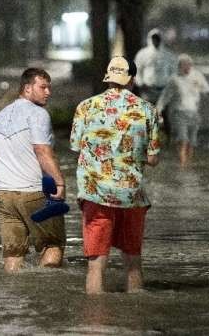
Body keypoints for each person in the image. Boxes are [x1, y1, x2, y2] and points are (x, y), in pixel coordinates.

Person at [70, 56, 160, 294]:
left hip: (95, 194)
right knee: (133, 263)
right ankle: (135, 308)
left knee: (95, 267)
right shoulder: (148, 110)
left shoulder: (85, 107)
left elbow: (76, 147)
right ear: (132, 79)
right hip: (132, 196)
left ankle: (95, 314)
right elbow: (153, 159)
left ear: (108, 77)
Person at [0, 67, 67, 272]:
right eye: (43, 87)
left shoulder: (0, 115)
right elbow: (42, 150)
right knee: (52, 245)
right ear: (27, 88)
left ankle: (13, 291)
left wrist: (0, 184)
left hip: (4, 196)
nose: (48, 92)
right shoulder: (38, 114)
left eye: (49, 87)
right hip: (34, 192)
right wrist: (59, 182)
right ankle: (45, 290)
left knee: (13, 253)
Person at [156, 53, 209, 165]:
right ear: (179, 66)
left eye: (189, 65)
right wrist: (158, 109)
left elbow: (205, 87)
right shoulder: (174, 79)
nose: (187, 67)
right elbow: (165, 96)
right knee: (183, 139)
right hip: (178, 113)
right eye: (184, 65)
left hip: (193, 112)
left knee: (191, 142)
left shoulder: (197, 76)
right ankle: (182, 165)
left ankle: (188, 163)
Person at [133, 28, 177, 105]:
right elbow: (137, 69)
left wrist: (170, 85)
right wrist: (141, 83)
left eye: (157, 38)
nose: (155, 40)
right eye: (153, 38)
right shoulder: (142, 54)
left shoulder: (168, 55)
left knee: (163, 111)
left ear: (161, 39)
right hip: (148, 91)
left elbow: (174, 71)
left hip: (163, 91)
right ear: (150, 39)